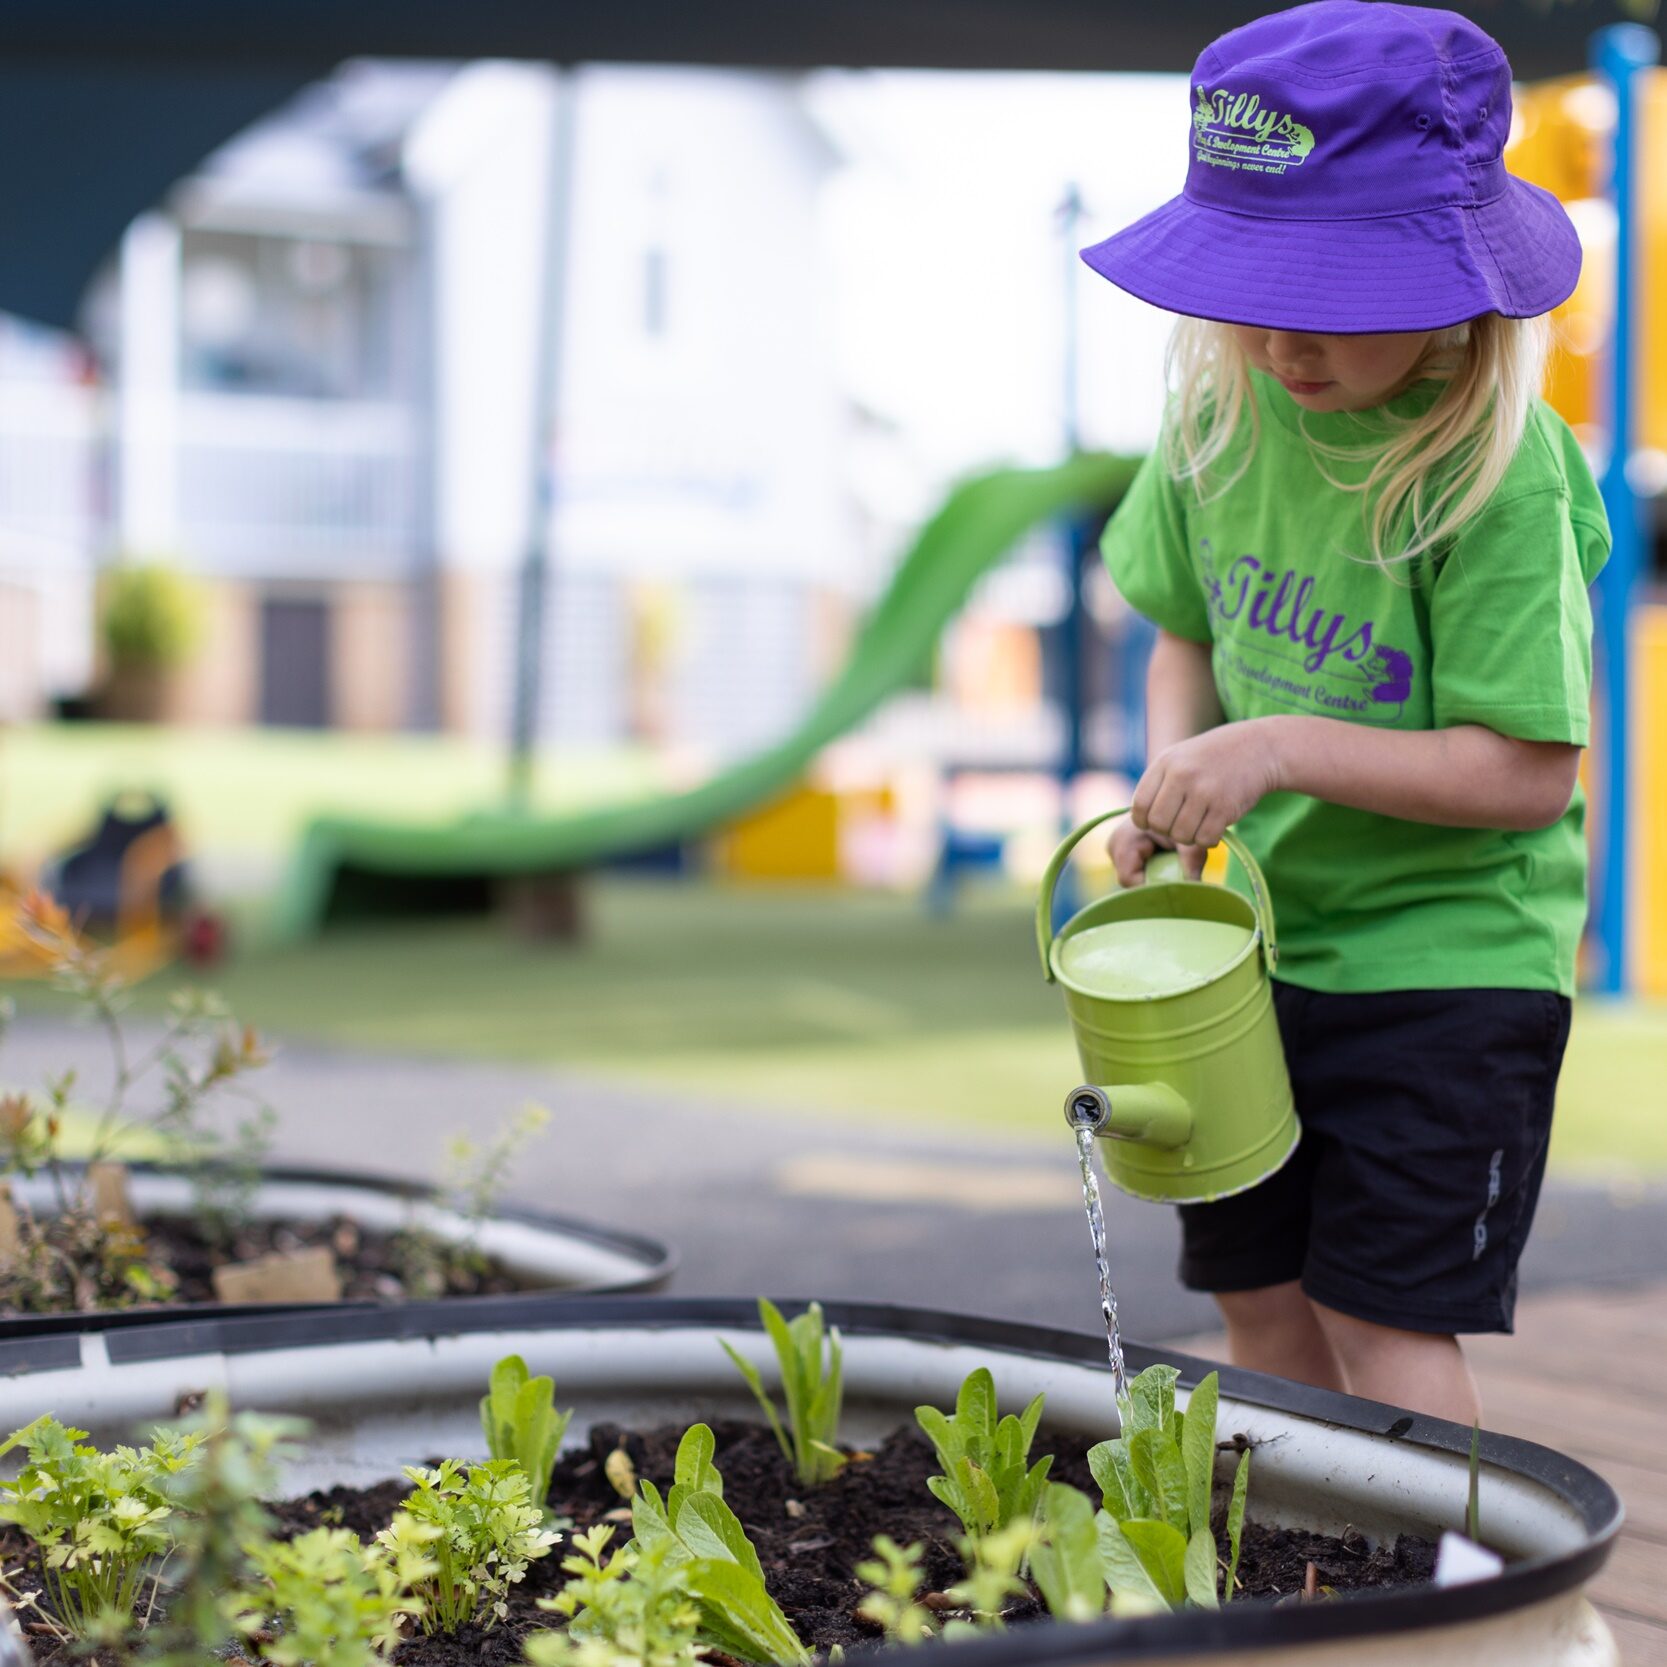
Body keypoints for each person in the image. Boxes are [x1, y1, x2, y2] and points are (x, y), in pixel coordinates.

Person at [1079, 0, 1609, 1423]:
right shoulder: (1216, 421)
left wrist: (1276, 748)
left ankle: (1461, 1620)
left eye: (1325, 300)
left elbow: (1523, 776)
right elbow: (1181, 636)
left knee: (1381, 1322)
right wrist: (1174, 781)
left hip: (1447, 970)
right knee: (1259, 1300)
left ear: (1452, 284)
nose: (1273, 340)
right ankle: (1315, 1608)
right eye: (1246, 287)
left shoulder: (1501, 477)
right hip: (1256, 954)